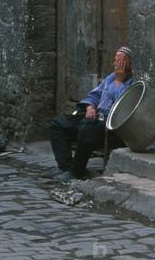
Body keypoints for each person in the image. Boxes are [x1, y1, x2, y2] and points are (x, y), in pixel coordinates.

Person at [48, 47, 134, 180]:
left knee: (87, 129)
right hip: (94, 116)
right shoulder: (110, 78)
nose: (117, 64)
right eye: (116, 60)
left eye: (122, 61)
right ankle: (65, 168)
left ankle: (77, 171)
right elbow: (94, 95)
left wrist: (120, 81)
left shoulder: (131, 84)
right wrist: (90, 106)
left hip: (109, 125)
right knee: (58, 124)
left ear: (129, 64)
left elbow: (121, 107)